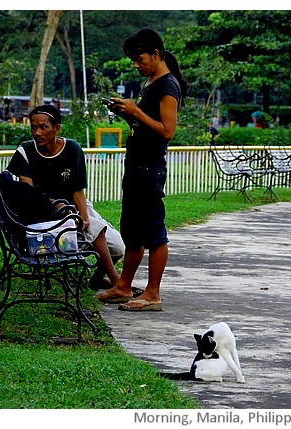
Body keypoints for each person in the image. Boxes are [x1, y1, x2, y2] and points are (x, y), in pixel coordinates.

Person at [95, 28, 188, 311]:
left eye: (139, 58)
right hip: (136, 164)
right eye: (133, 59)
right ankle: (124, 286)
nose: (136, 64)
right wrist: (129, 115)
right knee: (132, 231)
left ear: (156, 54)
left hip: (150, 168)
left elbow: (167, 131)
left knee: (154, 232)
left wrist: (136, 112)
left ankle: (152, 293)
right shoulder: (150, 81)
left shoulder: (168, 85)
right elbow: (145, 126)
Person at [6, 104, 125, 290]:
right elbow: (29, 193)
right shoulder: (25, 151)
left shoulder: (72, 149)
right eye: (33, 127)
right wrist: (57, 205)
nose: (37, 132)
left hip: (74, 207)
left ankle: (98, 278)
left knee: (118, 247)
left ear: (56, 128)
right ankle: (119, 286)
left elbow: (78, 190)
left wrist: (84, 217)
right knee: (97, 229)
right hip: (44, 214)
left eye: (43, 127)